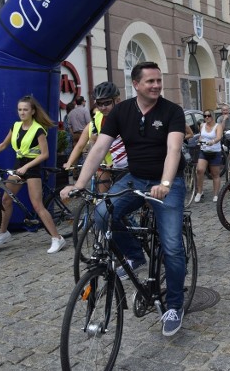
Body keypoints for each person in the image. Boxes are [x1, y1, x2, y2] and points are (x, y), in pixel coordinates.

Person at [60, 61, 187, 337]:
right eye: (150, 81)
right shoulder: (121, 111)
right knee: (102, 215)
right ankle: (134, 255)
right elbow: (99, 148)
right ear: (136, 85)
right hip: (136, 177)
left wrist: (165, 183)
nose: (156, 85)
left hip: (168, 182)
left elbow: (173, 149)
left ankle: (175, 305)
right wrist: (79, 185)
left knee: (173, 246)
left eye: (158, 80)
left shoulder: (172, 111)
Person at [0, 95, 66, 253]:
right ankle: (3, 233)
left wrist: (26, 168)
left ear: (32, 111)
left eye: (25, 109)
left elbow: (44, 154)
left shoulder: (38, 129)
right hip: (19, 166)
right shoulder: (16, 126)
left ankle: (57, 238)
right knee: (5, 199)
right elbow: (3, 145)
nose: (22, 112)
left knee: (38, 205)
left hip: (31, 167)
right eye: (20, 109)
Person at [64, 82, 126, 192]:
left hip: (128, 165)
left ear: (117, 100)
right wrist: (69, 162)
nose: (102, 107)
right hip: (107, 164)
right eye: (99, 104)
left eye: (107, 103)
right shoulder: (97, 119)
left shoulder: (127, 116)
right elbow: (81, 145)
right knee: (103, 200)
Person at [195, 109, 223, 203]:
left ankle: (216, 194)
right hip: (204, 151)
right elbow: (201, 136)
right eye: (205, 116)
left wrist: (213, 141)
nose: (207, 117)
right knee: (199, 170)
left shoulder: (218, 126)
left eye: (209, 115)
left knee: (215, 174)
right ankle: (199, 192)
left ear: (212, 116)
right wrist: (199, 141)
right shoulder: (202, 125)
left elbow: (219, 137)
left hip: (215, 152)